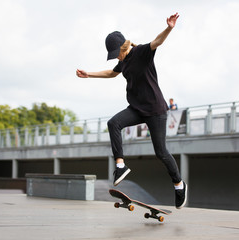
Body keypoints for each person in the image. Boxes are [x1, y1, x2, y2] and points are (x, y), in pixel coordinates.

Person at [76, 12, 187, 209]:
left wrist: (169, 28)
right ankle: (120, 166)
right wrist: (89, 74)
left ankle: (179, 185)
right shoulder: (123, 62)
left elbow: (157, 42)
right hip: (137, 108)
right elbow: (112, 73)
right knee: (113, 123)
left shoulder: (141, 52)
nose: (116, 58)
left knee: (160, 152)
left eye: (117, 53)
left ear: (123, 46)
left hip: (156, 110)